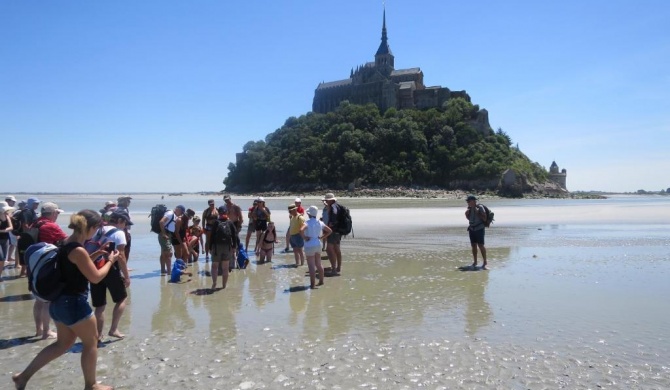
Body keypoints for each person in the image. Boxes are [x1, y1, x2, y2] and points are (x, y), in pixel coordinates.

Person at [12, 209, 120, 390]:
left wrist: (97, 254)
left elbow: (73, 265)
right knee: (91, 341)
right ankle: (91, 385)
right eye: (97, 228)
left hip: (58, 303)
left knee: (63, 344)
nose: (97, 231)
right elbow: (95, 278)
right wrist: (110, 260)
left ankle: (22, 377)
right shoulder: (78, 249)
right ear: (91, 227)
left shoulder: (66, 243)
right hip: (74, 303)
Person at [90, 210, 132, 340]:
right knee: (121, 299)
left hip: (95, 268)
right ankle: (113, 329)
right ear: (120, 221)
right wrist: (126, 276)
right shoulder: (119, 233)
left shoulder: (97, 230)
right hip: (110, 269)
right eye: (125, 224)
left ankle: (97, 334)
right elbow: (121, 256)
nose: (126, 227)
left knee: (99, 305)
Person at [34, 202, 68, 340]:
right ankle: (46, 332)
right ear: (53, 213)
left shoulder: (35, 223)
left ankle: (39, 329)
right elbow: (66, 240)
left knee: (38, 299)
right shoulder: (51, 226)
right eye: (57, 213)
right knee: (48, 300)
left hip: (34, 262)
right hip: (46, 264)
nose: (58, 216)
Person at [301, 206, 332, 289]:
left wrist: (304, 237)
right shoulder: (320, 222)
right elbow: (330, 231)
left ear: (308, 214)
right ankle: (321, 281)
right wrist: (321, 237)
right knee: (319, 264)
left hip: (309, 245)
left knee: (311, 266)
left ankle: (312, 284)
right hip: (318, 244)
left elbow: (301, 230)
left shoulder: (307, 222)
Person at [209, 206, 238, 290]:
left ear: (219, 213)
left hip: (216, 247)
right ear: (227, 213)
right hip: (227, 246)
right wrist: (234, 247)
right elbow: (235, 236)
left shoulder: (216, 222)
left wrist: (210, 247)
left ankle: (214, 283)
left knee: (215, 266)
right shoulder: (230, 222)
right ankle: (224, 286)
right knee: (225, 267)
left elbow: (212, 236)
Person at [17, 197, 41, 277]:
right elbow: (25, 225)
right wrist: (34, 226)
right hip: (26, 236)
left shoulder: (31, 211)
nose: (37, 205)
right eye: (36, 203)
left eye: (38, 203)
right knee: (25, 253)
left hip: (29, 236)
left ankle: (26, 272)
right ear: (31, 204)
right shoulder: (27, 212)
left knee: (28, 253)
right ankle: (22, 273)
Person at [465, 195, 488, 270]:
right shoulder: (469, 208)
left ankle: (484, 262)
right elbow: (469, 219)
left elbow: (484, 219)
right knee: (473, 245)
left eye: (469, 201)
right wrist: (467, 215)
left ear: (474, 201)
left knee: (481, 245)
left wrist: (478, 213)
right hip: (472, 229)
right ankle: (475, 262)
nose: (468, 202)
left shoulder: (480, 207)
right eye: (467, 201)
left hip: (479, 229)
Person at [323, 193, 343, 276]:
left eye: (327, 200)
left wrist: (328, 227)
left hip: (333, 231)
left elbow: (333, 221)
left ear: (331, 200)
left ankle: (334, 269)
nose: (326, 202)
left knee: (329, 250)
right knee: (337, 249)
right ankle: (338, 267)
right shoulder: (338, 206)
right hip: (338, 231)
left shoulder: (333, 208)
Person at [158, 205, 180, 275]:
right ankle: (169, 272)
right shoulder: (170, 213)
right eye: (181, 212)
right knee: (169, 253)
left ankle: (163, 270)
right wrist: (164, 234)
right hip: (165, 234)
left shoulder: (173, 215)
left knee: (164, 253)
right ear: (178, 209)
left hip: (167, 234)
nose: (181, 214)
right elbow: (161, 222)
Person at [115, 196, 133, 263]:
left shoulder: (125, 209)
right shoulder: (120, 210)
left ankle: (124, 265)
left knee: (125, 250)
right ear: (122, 202)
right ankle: (122, 266)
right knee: (123, 250)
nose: (129, 202)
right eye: (127, 201)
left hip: (126, 232)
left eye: (129, 201)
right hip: (123, 232)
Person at [0, 202, 15, 282]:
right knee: (1, 258)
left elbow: (11, 227)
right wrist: (5, 230)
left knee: (3, 258)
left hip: (5, 239)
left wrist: (3, 230)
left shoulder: (6, 216)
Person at [4, 195, 19, 265]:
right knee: (6, 243)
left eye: (14, 202)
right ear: (7, 201)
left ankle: (9, 257)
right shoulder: (4, 208)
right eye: (13, 201)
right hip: (5, 228)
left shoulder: (11, 208)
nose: (14, 203)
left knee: (12, 243)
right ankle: (4, 258)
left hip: (10, 228)